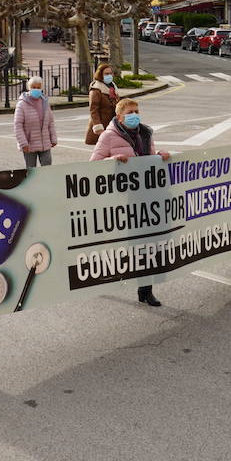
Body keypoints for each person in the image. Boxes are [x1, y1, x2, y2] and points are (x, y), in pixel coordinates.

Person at [90, 98, 171, 306]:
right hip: (123, 201)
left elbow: (149, 159)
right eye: (130, 112)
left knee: (148, 243)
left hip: (146, 198)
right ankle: (100, 278)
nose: (135, 115)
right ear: (119, 117)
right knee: (126, 245)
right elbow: (92, 166)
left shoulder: (146, 133)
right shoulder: (108, 137)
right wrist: (113, 161)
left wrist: (160, 156)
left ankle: (146, 290)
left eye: (137, 111)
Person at [13, 76, 57, 167]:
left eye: (38, 87)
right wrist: (23, 143)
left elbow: (50, 122)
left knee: (47, 165)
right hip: (29, 144)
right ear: (29, 88)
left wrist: (53, 138)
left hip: (44, 143)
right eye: (33, 87)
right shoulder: (22, 104)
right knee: (31, 170)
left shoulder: (44, 102)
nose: (36, 89)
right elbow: (18, 125)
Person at [84, 63, 119, 146]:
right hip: (102, 125)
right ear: (100, 75)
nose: (109, 76)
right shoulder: (96, 90)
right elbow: (93, 110)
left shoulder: (112, 87)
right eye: (106, 74)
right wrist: (98, 126)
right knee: (102, 150)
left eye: (110, 73)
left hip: (112, 124)